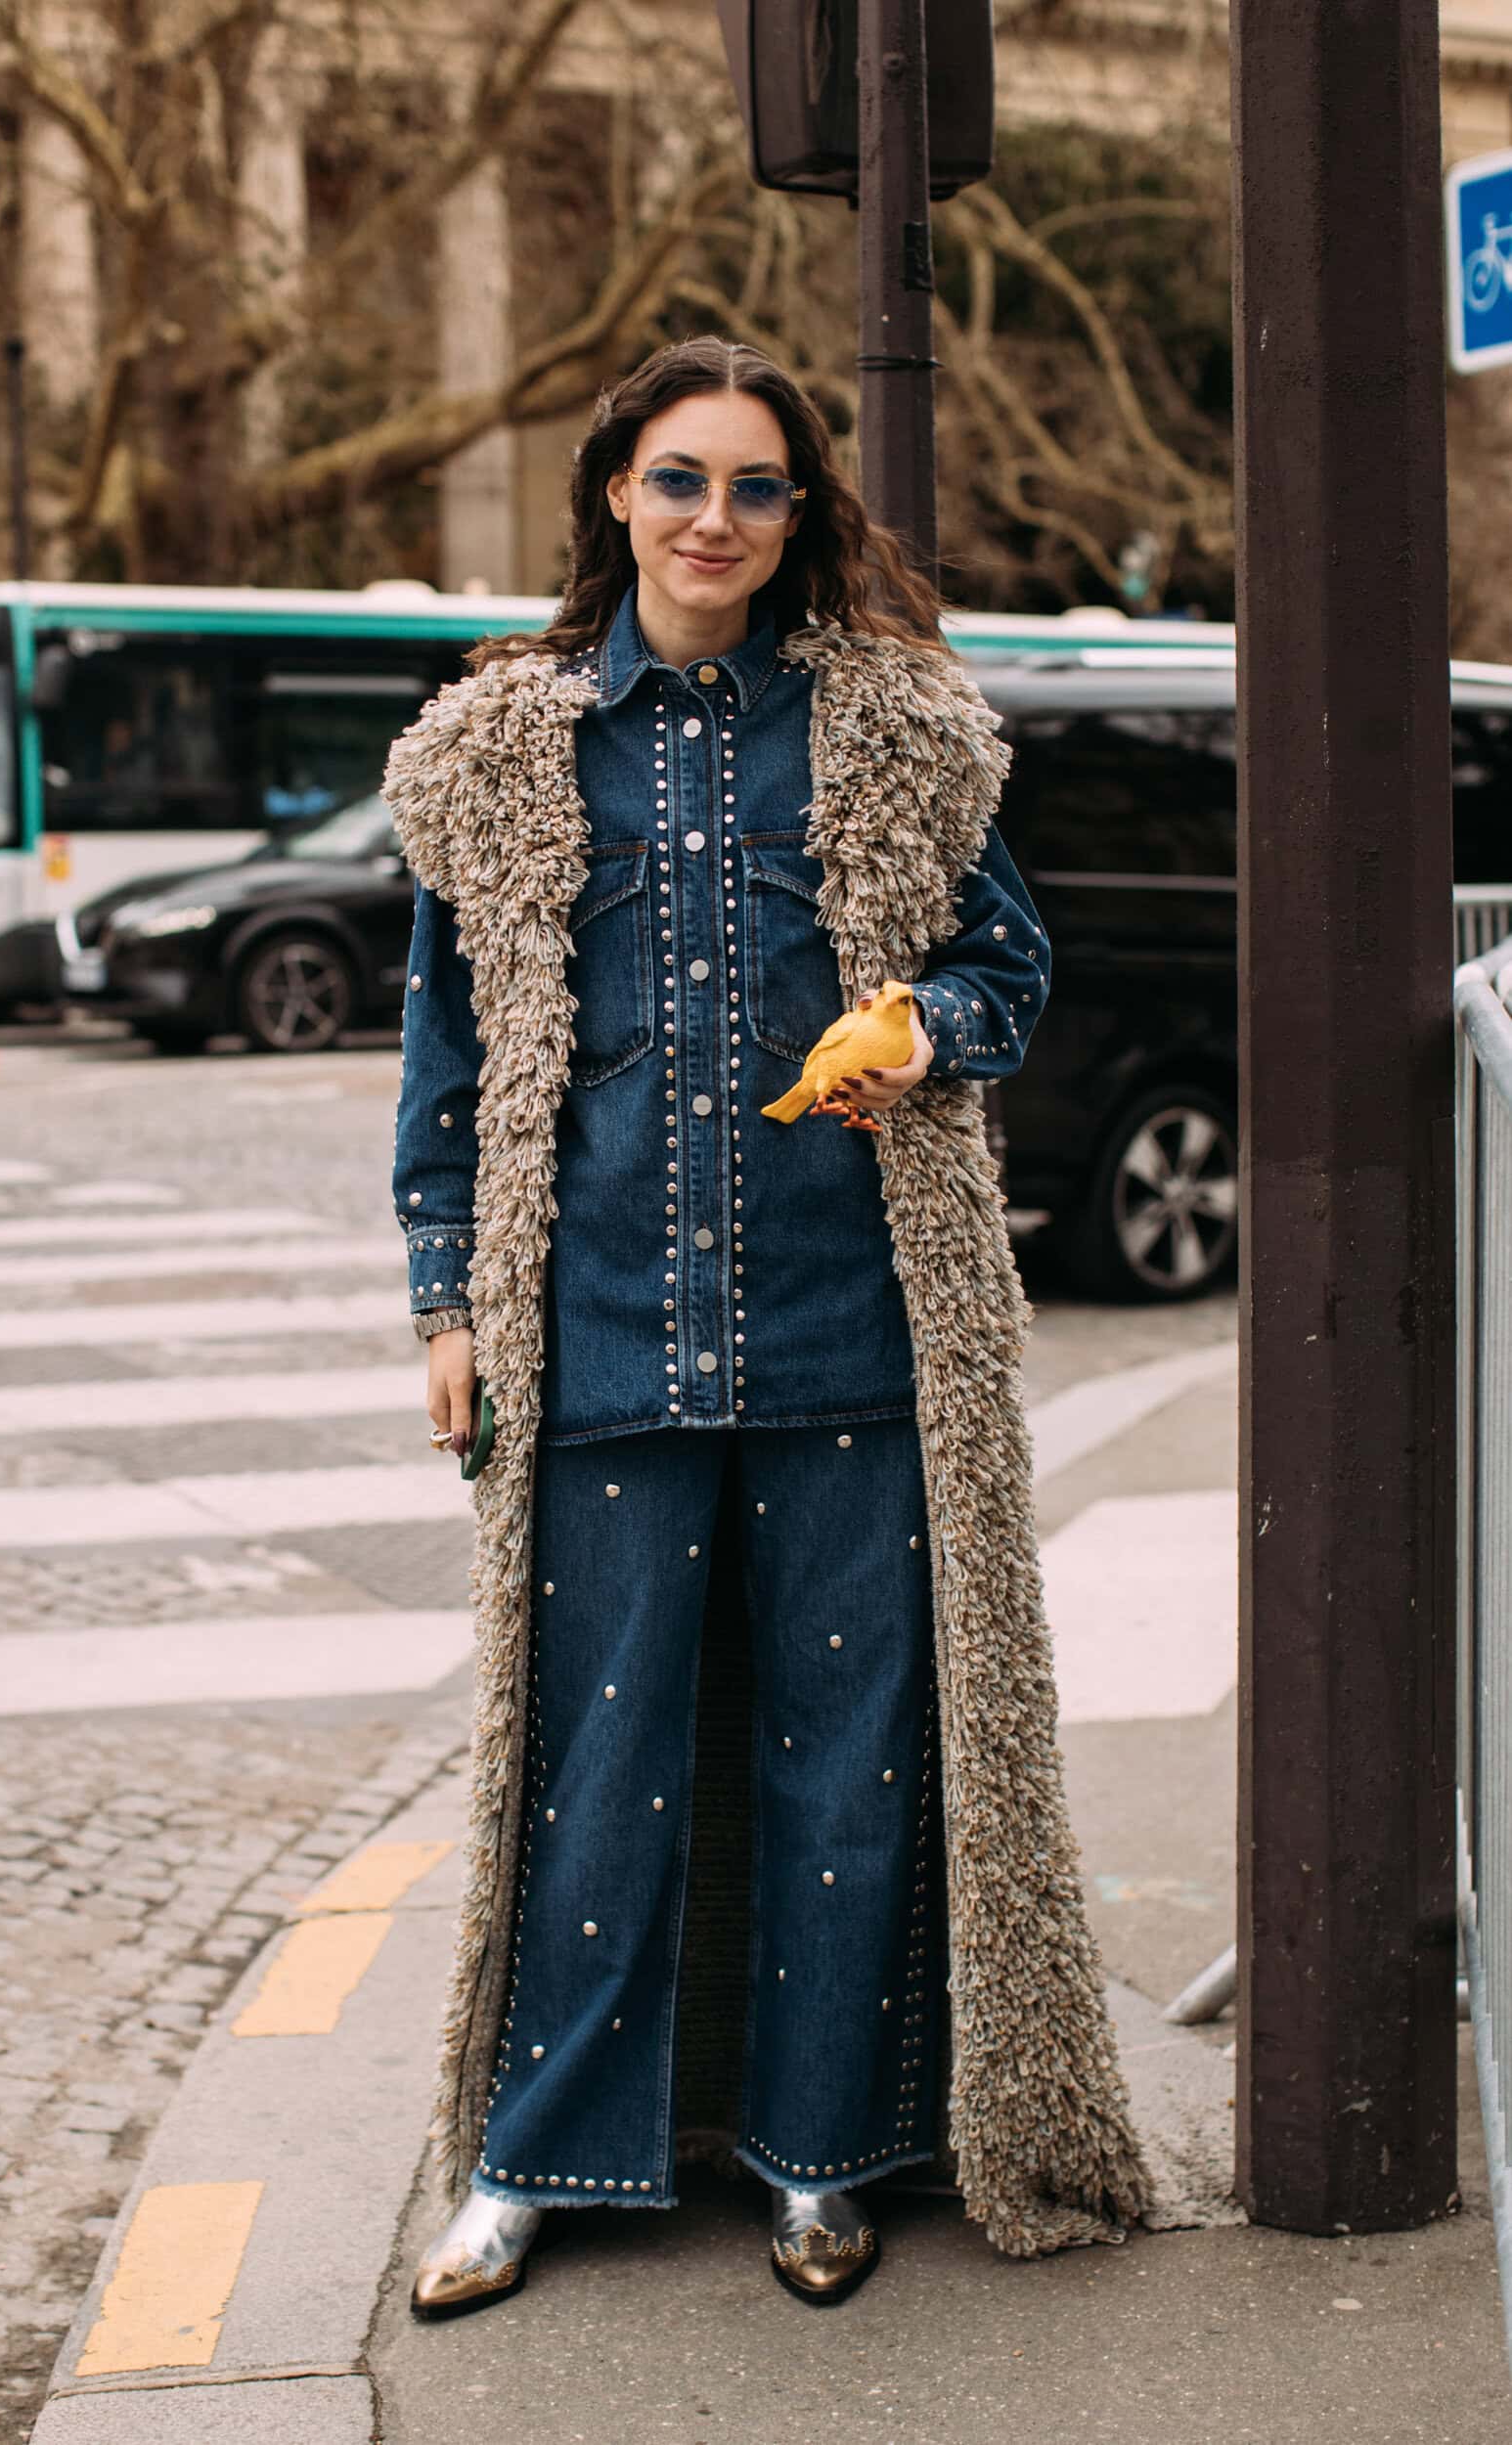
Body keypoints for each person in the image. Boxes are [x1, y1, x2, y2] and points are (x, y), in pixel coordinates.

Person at [385, 336, 1148, 2318]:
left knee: (847, 1762)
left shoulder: (894, 729)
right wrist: (444, 1298)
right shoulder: (503, 745)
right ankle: (527, 2154)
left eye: (752, 485)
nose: (712, 516)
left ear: (797, 514)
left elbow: (1003, 956)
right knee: (590, 1753)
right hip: (603, 1329)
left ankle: (820, 2156)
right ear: (612, 498)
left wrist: (927, 1030)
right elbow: (449, 1054)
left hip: (852, 1325)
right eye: (676, 479)